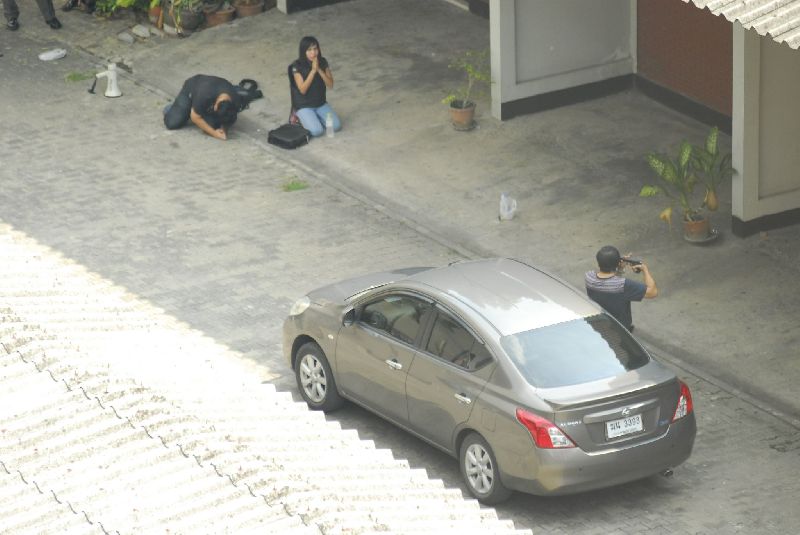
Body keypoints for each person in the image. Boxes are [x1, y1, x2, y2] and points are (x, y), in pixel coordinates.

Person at [585, 245, 658, 332]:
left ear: (598, 263)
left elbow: (608, 282)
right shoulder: (624, 285)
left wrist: (619, 269)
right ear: (617, 263)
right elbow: (653, 292)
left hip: (597, 326)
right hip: (619, 331)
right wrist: (645, 270)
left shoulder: (589, 277)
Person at [163, 74, 243, 141]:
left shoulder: (236, 100)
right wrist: (215, 134)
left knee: (212, 125)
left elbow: (229, 118)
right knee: (172, 123)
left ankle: (197, 108)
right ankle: (175, 108)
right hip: (192, 88)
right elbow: (195, 117)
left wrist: (224, 130)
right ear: (215, 105)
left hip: (210, 92)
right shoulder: (205, 94)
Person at [290, 35, 341, 137]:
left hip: (320, 103)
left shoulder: (322, 61)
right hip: (304, 106)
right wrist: (313, 71)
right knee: (316, 131)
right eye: (309, 50)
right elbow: (303, 90)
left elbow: (330, 84)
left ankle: (314, 118)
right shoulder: (297, 66)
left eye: (315, 49)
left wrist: (318, 69)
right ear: (303, 51)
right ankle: (297, 116)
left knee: (335, 126)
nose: (313, 53)